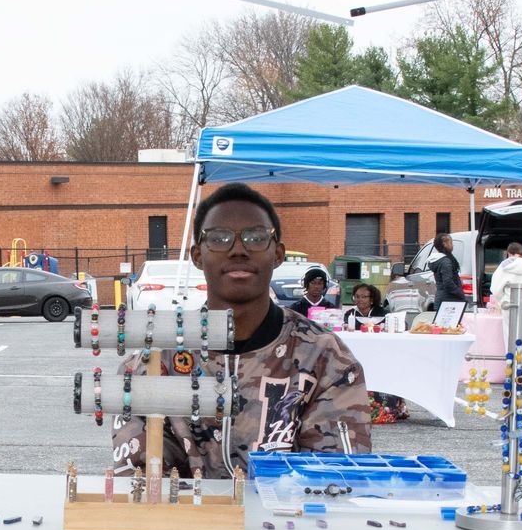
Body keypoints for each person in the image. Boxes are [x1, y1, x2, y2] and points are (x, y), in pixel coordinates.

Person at [112, 183, 372, 480]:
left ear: (278, 253)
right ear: (198, 255)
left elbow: (335, 480)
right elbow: (142, 485)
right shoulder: (156, 363)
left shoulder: (325, 358)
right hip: (186, 523)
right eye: (220, 238)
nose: (238, 250)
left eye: (256, 237)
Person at [342, 283, 406, 423]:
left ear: (372, 299)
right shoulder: (350, 314)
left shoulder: (382, 314)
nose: (359, 300)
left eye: (364, 297)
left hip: (380, 354)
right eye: (357, 297)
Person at [424, 233, 467, 309]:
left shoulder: (439, 260)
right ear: (444, 244)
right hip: (449, 301)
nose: (452, 245)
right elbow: (448, 282)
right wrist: (460, 293)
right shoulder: (445, 261)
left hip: (443, 299)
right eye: (450, 242)